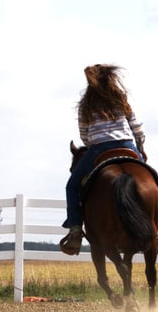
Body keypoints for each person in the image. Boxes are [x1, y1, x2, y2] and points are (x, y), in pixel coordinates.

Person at [61, 64, 152, 254]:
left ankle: (75, 231)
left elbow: (84, 135)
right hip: (127, 145)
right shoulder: (121, 99)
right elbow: (136, 127)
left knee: (72, 186)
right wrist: (140, 146)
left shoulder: (85, 105)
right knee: (151, 179)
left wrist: (94, 141)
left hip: (99, 149)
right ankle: (157, 224)